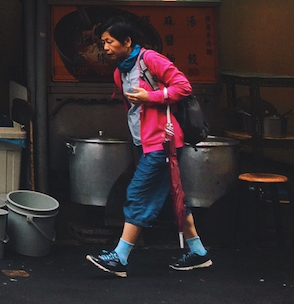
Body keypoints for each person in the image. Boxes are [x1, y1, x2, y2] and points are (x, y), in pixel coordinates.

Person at [86, 15, 212, 277]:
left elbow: (183, 86)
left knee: (138, 193)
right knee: (173, 197)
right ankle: (198, 252)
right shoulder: (120, 72)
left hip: (162, 142)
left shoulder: (150, 59)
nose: (105, 48)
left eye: (109, 42)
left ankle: (120, 257)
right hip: (145, 143)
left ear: (127, 41)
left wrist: (151, 96)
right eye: (103, 42)